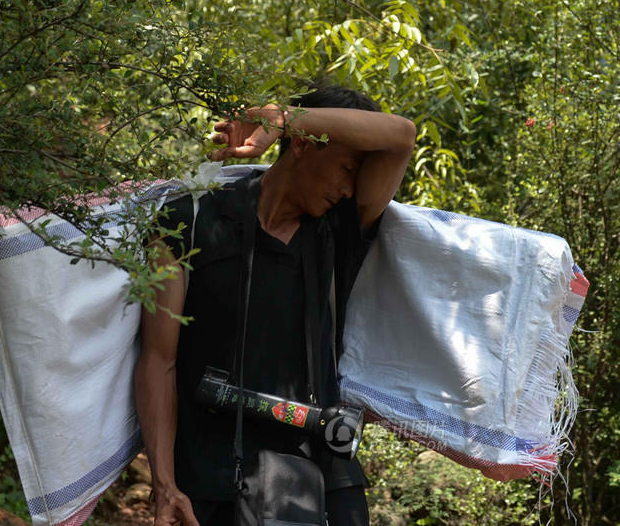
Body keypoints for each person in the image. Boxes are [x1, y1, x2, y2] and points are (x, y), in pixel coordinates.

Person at [134, 86, 416, 526]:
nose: (348, 189)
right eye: (346, 168)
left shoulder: (338, 229)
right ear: (303, 145)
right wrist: (165, 485)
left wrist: (282, 116)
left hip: (319, 477)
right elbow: (159, 360)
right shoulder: (184, 223)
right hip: (210, 480)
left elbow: (402, 135)